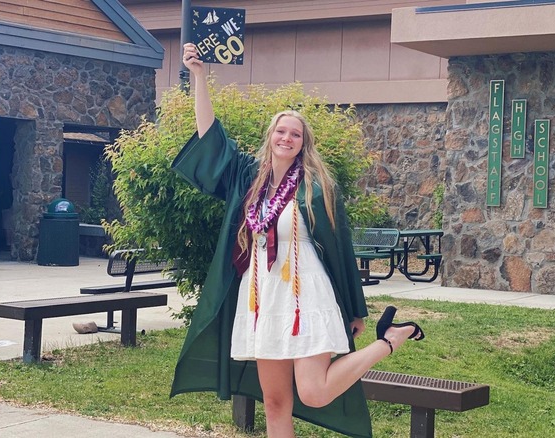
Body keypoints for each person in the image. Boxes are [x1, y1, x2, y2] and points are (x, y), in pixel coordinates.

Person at [169, 42, 425, 438]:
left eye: (296, 135)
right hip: (263, 297)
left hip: (306, 295)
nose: (287, 138)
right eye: (281, 131)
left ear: (303, 144)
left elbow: (340, 250)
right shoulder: (246, 177)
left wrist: (354, 308)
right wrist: (200, 77)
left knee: (315, 391)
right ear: (270, 136)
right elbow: (211, 138)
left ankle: (390, 340)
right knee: (275, 403)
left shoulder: (316, 187)